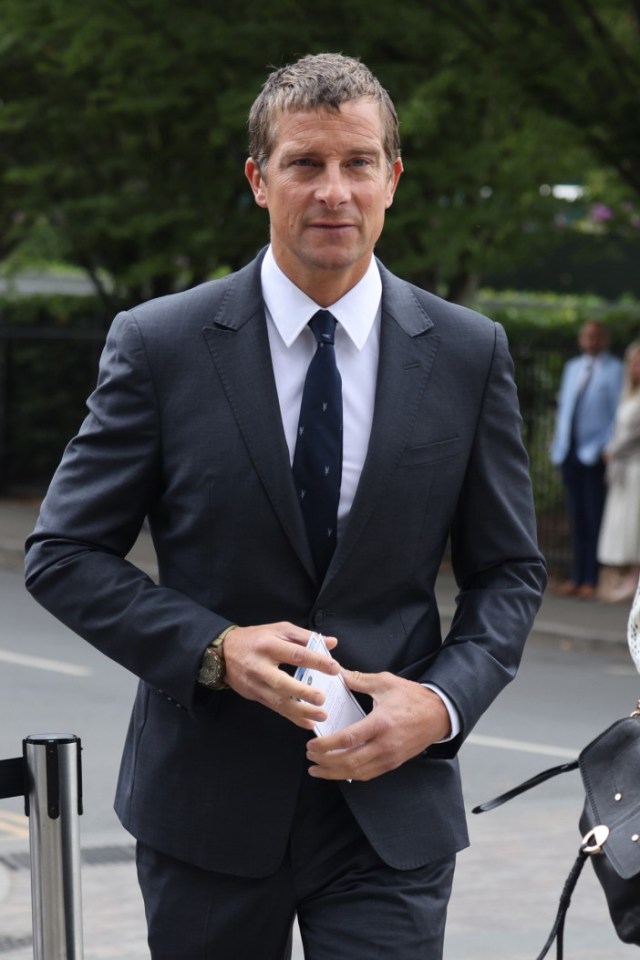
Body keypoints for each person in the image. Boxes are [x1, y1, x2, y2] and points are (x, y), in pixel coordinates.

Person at [24, 53, 546, 960]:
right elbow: (63, 553)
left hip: (391, 807)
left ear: (394, 176)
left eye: (358, 162)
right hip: (208, 810)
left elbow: (509, 572)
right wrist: (215, 650)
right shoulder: (160, 345)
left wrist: (441, 702)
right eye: (306, 163)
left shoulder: (469, 353)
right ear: (260, 180)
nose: (334, 190)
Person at [550, 319, 623, 599]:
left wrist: (603, 446)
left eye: (595, 337)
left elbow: (616, 412)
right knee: (576, 518)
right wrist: (559, 442)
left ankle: (591, 578)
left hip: (595, 454)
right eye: (586, 336)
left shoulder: (614, 370)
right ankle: (576, 575)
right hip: (569, 452)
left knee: (594, 518)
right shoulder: (572, 368)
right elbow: (566, 409)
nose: (590, 341)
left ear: (604, 339)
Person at [597, 340, 640, 602]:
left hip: (636, 467)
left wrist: (614, 450)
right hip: (622, 468)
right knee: (624, 524)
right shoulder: (629, 394)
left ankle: (634, 578)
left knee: (635, 524)